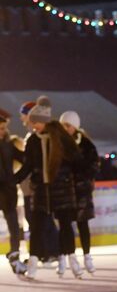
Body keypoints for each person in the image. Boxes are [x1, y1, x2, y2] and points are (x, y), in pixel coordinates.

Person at [14, 97, 83, 279]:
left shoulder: (60, 137)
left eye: (35, 122)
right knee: (36, 226)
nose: (33, 126)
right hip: (41, 191)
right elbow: (27, 166)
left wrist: (70, 176)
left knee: (65, 225)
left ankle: (73, 260)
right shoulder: (33, 141)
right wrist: (12, 180)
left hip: (61, 189)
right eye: (32, 122)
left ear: (43, 121)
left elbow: (76, 159)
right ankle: (33, 264)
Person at [60, 111, 99, 275]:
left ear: (74, 127)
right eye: (63, 125)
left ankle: (87, 256)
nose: (64, 128)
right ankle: (66, 258)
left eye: (67, 125)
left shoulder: (86, 144)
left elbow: (94, 165)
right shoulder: (59, 143)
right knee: (65, 224)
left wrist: (83, 177)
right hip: (65, 191)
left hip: (81, 190)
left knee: (83, 224)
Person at [0, 110, 25, 276]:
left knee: (14, 226)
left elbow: (25, 159)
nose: (2, 132)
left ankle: (15, 255)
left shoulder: (8, 145)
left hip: (8, 191)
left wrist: (16, 178)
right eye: (0, 128)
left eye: (3, 128)